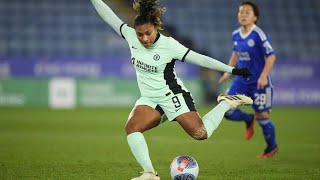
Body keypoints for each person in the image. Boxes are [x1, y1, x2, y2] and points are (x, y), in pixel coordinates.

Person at [91, 0, 253, 179]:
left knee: (201, 134)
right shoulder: (129, 35)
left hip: (172, 96)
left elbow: (200, 59)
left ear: (155, 27)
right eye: (140, 35)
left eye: (148, 33)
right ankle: (150, 173)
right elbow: (108, 15)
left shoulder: (169, 45)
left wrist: (232, 70)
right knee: (132, 127)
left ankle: (225, 103)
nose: (144, 38)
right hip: (150, 99)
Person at [218, 1, 278, 158]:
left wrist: (264, 76)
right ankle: (248, 118)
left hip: (259, 82)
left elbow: (271, 56)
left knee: (263, 117)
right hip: (241, 81)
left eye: (247, 12)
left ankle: (271, 148)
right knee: (225, 108)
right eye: (241, 12)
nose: (243, 15)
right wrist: (228, 72)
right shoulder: (236, 34)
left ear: (255, 17)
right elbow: (235, 53)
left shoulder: (258, 34)